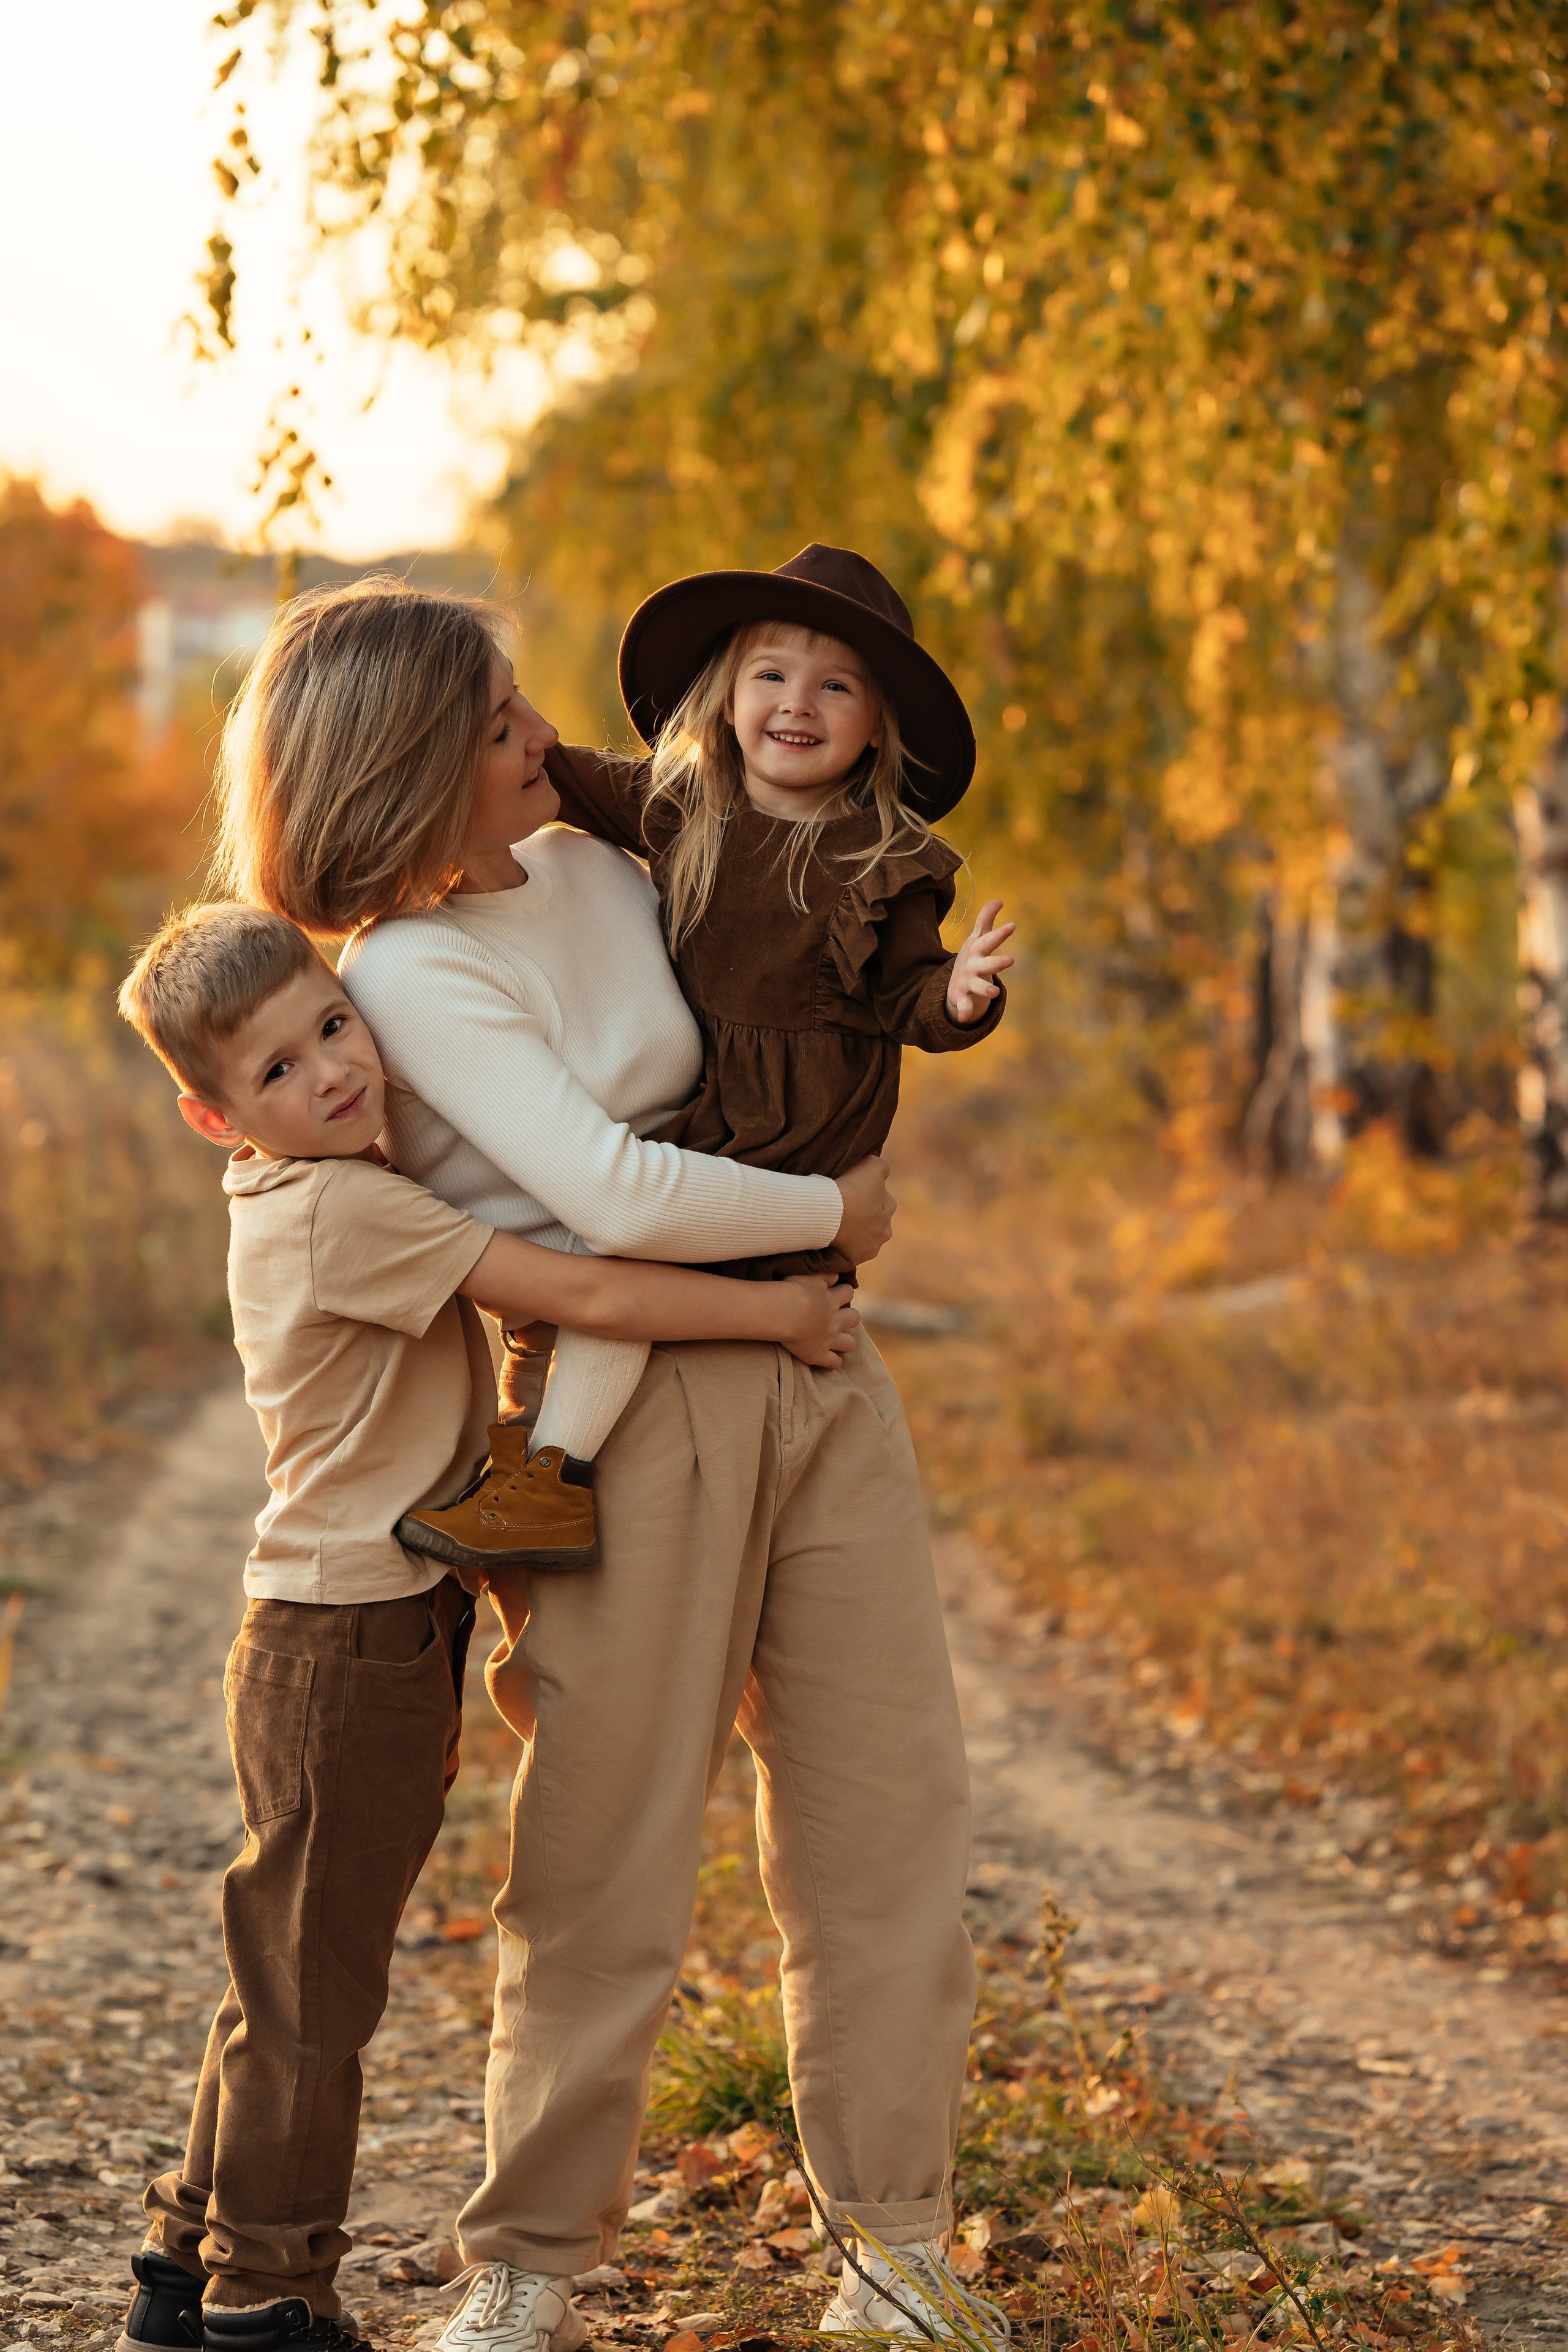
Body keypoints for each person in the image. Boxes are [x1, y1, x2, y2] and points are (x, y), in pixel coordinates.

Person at [217, 570, 1011, 2352]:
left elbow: (785, 981)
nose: (541, 732)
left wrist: (926, 993)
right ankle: (529, 2263)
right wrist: (835, 1199)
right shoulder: (406, 972)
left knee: (889, 1816)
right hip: (632, 1392)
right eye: (499, 718)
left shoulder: (601, 864)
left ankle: (896, 2249)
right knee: (607, 1847)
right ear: (417, 758)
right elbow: (604, 1191)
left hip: (818, 1351)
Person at [111, 901, 862, 2352]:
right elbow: (580, 1285)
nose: (329, 1073)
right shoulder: (346, 1205)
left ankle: (177, 2265)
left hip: (328, 1629)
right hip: (349, 1643)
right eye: (275, 1073)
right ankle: (266, 2293)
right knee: (315, 1991)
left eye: (333, 1026)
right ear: (218, 1118)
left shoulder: (309, 1186)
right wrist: (777, 1316)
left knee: (284, 1963)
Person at [399, 543, 1014, 1577]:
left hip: (809, 1115)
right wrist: (445, 772)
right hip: (717, 1109)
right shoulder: (686, 809)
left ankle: (556, 1468)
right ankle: (554, 1472)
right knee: (631, 1263)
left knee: (652, 1262)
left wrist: (958, 998)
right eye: (770, 676)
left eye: (836, 687)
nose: (797, 704)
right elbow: (571, 777)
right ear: (726, 697)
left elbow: (909, 989)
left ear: (876, 727)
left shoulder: (883, 858)